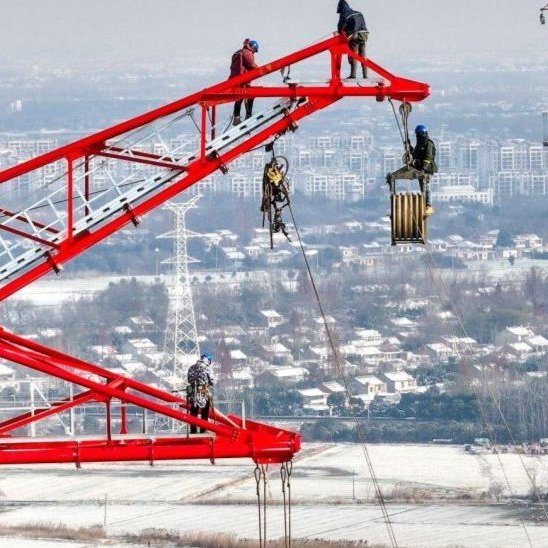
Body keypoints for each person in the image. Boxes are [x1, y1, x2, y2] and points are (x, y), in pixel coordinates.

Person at [386, 124, 438, 216]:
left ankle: (429, 205)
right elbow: (414, 154)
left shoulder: (428, 144)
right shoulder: (420, 144)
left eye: (418, 134)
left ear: (422, 134)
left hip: (426, 169)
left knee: (426, 187)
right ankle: (424, 204)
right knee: (423, 187)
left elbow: (428, 157)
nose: (417, 136)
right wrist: (408, 146)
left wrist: (423, 169)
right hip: (419, 168)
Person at [229, 39, 259, 125]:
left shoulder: (239, 52)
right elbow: (251, 64)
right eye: (255, 50)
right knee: (250, 95)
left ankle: (237, 117)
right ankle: (248, 115)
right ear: (253, 47)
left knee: (240, 97)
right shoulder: (247, 52)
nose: (254, 52)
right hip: (242, 79)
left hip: (236, 78)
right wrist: (260, 69)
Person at [337, 0, 369, 79]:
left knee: (353, 54)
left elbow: (340, 28)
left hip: (355, 36)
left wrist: (341, 32)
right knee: (362, 55)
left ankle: (353, 75)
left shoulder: (344, 14)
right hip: (364, 34)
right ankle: (365, 75)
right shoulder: (357, 12)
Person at [186, 352, 214, 434]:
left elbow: (189, 379)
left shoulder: (192, 367)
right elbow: (211, 381)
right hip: (203, 391)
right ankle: (203, 429)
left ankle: (193, 431)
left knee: (193, 412)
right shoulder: (206, 369)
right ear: (208, 361)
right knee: (204, 412)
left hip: (193, 392)